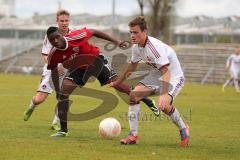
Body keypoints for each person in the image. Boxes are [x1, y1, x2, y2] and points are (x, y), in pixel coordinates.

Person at [46, 25, 159, 137]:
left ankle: (148, 101)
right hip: (79, 68)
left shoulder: (76, 36)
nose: (55, 41)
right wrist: (57, 90)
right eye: (52, 40)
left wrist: (116, 41)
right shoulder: (53, 53)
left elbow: (94, 31)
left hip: (96, 61)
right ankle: (63, 130)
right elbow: (53, 70)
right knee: (63, 94)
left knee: (118, 85)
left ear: (62, 34)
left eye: (57, 37)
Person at [110, 16, 189, 147]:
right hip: (157, 75)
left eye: (136, 32)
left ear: (144, 31)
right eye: (131, 32)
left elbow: (166, 71)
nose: (132, 36)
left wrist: (164, 94)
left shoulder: (154, 47)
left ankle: (183, 128)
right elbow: (132, 66)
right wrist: (118, 82)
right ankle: (133, 135)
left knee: (163, 106)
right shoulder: (137, 47)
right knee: (133, 96)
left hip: (174, 76)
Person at [23, 10, 72, 130]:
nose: (64, 23)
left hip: (66, 70)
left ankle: (56, 122)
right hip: (51, 69)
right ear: (57, 21)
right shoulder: (51, 35)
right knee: (40, 99)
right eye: (62, 20)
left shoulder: (73, 34)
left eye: (66, 20)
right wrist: (55, 66)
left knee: (64, 96)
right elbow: (45, 55)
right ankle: (32, 105)